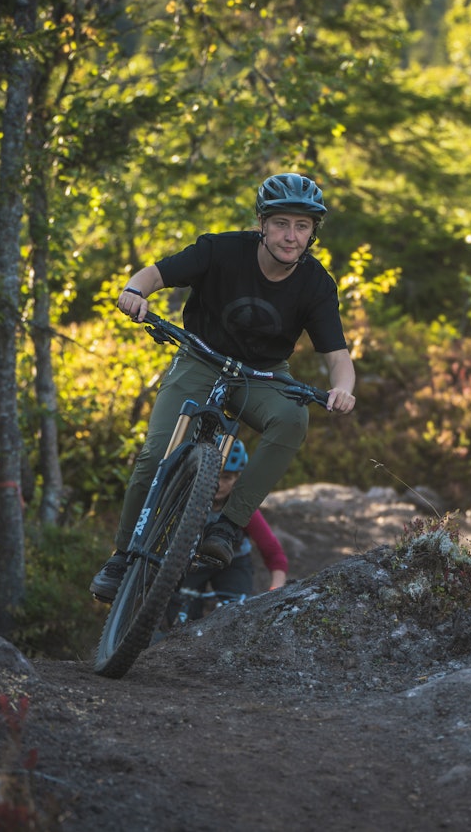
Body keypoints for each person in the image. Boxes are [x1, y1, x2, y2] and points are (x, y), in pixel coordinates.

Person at [90, 172, 355, 602]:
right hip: (200, 358)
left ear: (312, 233)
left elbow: (338, 356)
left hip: (263, 373)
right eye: (282, 223)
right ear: (262, 224)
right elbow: (154, 274)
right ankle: (121, 556)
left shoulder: (316, 283)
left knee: (292, 418)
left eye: (302, 226)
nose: (291, 236)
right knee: (155, 454)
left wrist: (343, 389)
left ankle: (228, 528)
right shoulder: (220, 249)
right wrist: (133, 292)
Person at [168, 439, 288, 624]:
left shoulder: (243, 507)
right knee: (178, 618)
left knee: (236, 618)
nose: (218, 483)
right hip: (193, 563)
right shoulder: (186, 501)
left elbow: (272, 551)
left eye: (227, 478)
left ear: (237, 479)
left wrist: (276, 590)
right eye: (215, 475)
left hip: (234, 563)